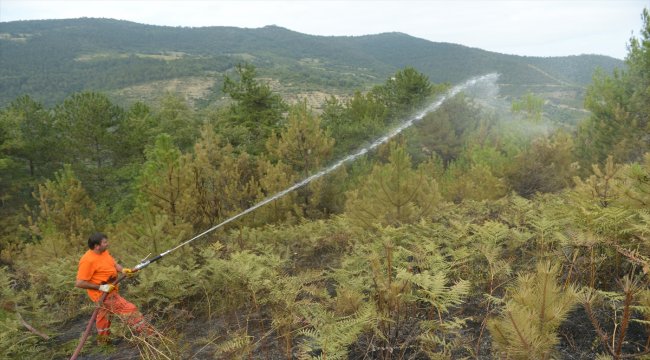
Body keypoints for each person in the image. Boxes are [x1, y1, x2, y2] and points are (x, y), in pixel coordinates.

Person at [75, 232, 150, 344]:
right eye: (105, 242)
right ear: (96, 246)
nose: (107, 244)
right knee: (130, 310)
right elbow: (79, 283)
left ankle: (103, 342)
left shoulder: (104, 252)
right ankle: (150, 335)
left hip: (111, 290)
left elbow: (113, 264)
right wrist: (101, 287)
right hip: (103, 295)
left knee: (104, 318)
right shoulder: (88, 260)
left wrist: (123, 270)